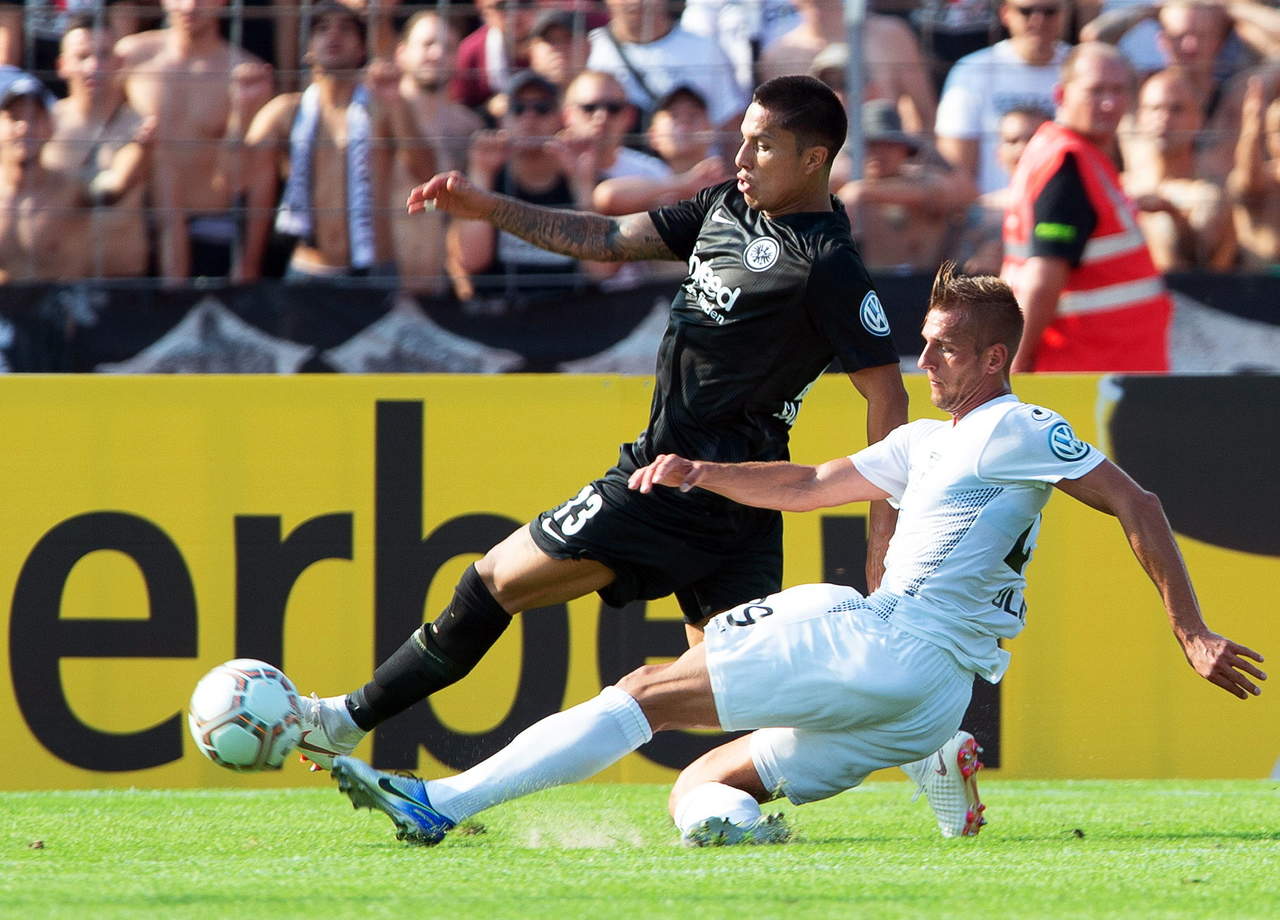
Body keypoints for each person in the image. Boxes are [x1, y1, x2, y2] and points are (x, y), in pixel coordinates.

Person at [327, 262, 1266, 848]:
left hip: (894, 645)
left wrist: (1190, 632)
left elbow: (1136, 501)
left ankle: (443, 802)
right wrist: (702, 470)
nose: (926, 362)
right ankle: (855, 793)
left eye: (945, 349)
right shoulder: (925, 444)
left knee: (648, 691)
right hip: (923, 700)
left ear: (994, 360)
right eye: (925, 344)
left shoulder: (1019, 425)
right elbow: (811, 481)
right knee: (702, 788)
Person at [295, 76, 911, 785]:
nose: (742, 157)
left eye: (763, 145)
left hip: (678, 485)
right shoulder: (725, 206)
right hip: (728, 501)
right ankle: (911, 748)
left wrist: (882, 539)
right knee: (736, 690)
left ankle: (345, 720)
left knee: (494, 581)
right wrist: (486, 206)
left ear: (813, 159)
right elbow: (610, 238)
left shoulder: (828, 263)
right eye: (743, 139)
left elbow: (887, 394)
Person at [1001, 42, 1174, 373]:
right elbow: (1044, 276)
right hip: (1088, 369)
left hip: (1106, 366)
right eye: (1096, 91)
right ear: (1061, 94)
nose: (1109, 103)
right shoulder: (1069, 163)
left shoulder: (1073, 153)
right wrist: (1014, 369)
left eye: (1118, 90)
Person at [236, 2, 434, 283]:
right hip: (307, 271)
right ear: (308, 48)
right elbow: (234, 182)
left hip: (374, 270)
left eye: (345, 28)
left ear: (362, 48)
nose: (334, 35)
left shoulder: (383, 109)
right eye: (322, 28)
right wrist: (241, 112)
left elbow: (427, 174)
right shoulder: (287, 111)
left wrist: (398, 102)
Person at [116, 0, 274, 281]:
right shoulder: (131, 56)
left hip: (210, 229)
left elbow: (261, 174)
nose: (190, 6)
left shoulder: (245, 73)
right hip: (137, 229)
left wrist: (249, 262)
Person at [446, 69, 617, 302]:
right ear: (502, 120)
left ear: (560, 118)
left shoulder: (583, 176)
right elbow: (471, 260)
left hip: (573, 311)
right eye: (518, 108)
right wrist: (481, 174)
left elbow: (601, 271)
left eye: (542, 108)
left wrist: (581, 184)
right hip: (500, 310)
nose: (529, 117)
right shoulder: (488, 177)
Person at [0, 73, 152, 280]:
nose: (24, 128)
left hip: (60, 297)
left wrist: (141, 147)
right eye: (14, 118)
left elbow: (116, 186)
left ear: (51, 127)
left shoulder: (70, 189)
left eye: (34, 118)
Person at [44, 16, 150, 278]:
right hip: (58, 283)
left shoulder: (143, 129)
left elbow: (170, 214)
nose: (94, 66)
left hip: (127, 283)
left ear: (119, 62)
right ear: (62, 65)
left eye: (103, 54)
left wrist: (174, 290)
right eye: (82, 56)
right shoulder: (43, 129)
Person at [935, 0, 1072, 196]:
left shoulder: (1082, 68)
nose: (1038, 20)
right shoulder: (972, 71)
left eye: (1050, 11)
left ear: (1064, 14)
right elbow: (955, 167)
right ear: (1006, 14)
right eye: (1026, 11)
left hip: (1065, 202)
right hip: (991, 208)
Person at [389, 8, 482, 294]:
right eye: (428, 44)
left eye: (448, 47)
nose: (437, 53)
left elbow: (466, 215)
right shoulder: (374, 116)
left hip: (436, 285)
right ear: (402, 52)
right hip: (377, 280)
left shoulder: (468, 126)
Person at [757, 0, 937, 136]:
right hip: (815, 169)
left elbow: (925, 116)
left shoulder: (892, 36)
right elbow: (774, 131)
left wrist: (908, 159)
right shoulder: (777, 55)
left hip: (883, 166)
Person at [839, 99, 975, 273]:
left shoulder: (923, 180)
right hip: (875, 283)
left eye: (888, 145)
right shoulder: (844, 187)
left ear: (904, 149)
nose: (878, 153)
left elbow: (945, 192)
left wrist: (862, 191)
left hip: (925, 281)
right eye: (870, 145)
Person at [1122, 67, 1236, 270]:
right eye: (1154, 109)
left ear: (1199, 119)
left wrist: (1172, 215)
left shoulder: (1210, 194)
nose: (1163, 118)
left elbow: (1199, 263)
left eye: (1176, 109)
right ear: (1139, 117)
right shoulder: (1118, 186)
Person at [586, 0, 747, 138]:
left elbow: (729, 124)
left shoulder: (705, 48)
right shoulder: (589, 49)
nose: (636, 2)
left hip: (697, 163)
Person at [592, 84, 730, 215]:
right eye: (674, 115)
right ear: (653, 135)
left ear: (711, 130)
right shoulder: (646, 172)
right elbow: (606, 196)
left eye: (693, 114)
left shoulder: (725, 179)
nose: (684, 122)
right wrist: (683, 184)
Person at [952, 105, 1051, 275]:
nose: (1022, 149)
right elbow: (956, 271)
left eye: (1032, 139)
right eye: (1012, 141)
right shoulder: (979, 211)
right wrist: (979, 267)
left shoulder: (1070, 203)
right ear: (998, 153)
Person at [1227, 74, 1280, 268]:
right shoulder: (1263, 181)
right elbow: (1248, 179)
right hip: (1263, 280)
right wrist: (1252, 126)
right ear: (1267, 139)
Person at [450, 0, 536, 110]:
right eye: (502, 6)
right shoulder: (470, 52)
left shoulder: (554, 43)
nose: (515, 13)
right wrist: (487, 110)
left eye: (524, 2)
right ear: (482, 9)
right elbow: (456, 110)